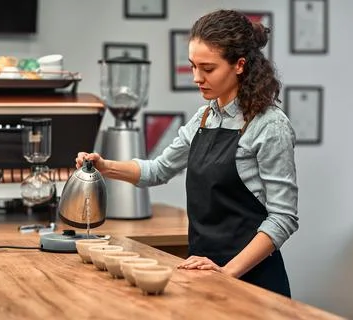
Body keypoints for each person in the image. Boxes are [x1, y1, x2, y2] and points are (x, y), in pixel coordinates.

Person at [76, 9, 298, 297]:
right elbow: (158, 170)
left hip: (252, 282)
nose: (197, 77)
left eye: (207, 69)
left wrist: (227, 272)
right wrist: (104, 166)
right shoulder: (204, 118)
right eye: (193, 66)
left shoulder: (270, 125)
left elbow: (283, 218)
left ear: (239, 65)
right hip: (203, 273)